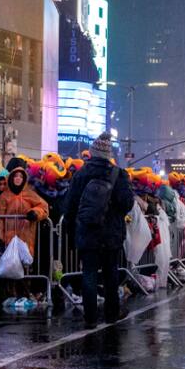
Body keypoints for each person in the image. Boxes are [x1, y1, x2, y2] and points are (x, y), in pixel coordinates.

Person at [63, 132, 134, 328]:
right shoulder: (118, 174)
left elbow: (69, 205)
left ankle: (91, 317)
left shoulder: (81, 174)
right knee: (111, 273)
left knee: (89, 273)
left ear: (92, 153)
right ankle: (112, 313)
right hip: (111, 234)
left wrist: (71, 230)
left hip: (87, 231)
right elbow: (127, 203)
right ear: (109, 154)